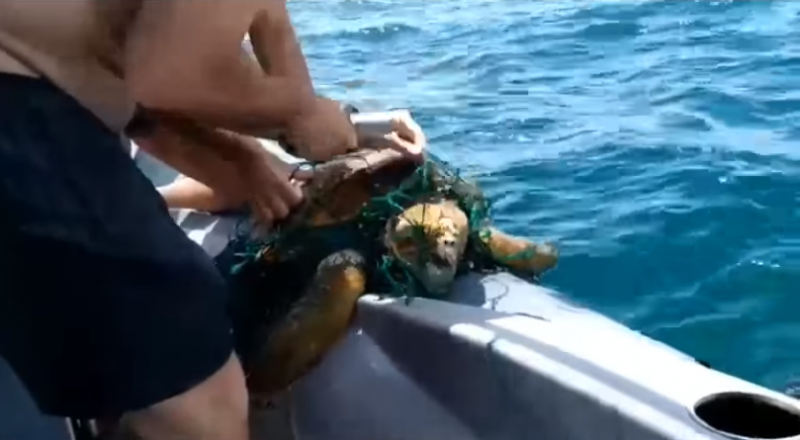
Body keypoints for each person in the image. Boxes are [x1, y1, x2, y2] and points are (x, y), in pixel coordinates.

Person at [0, 2, 419, 439]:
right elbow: (168, 76)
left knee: (133, 369)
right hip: (20, 117)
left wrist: (254, 152)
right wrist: (302, 115)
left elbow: (140, 75)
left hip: (44, 101)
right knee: (199, 395)